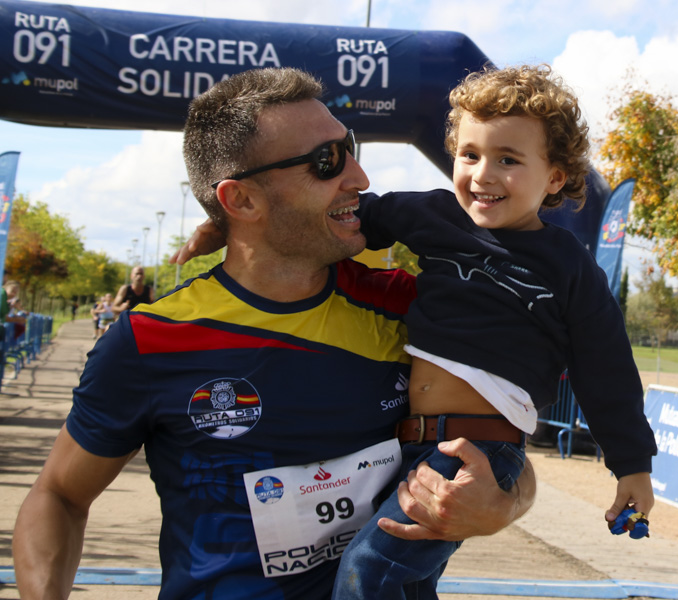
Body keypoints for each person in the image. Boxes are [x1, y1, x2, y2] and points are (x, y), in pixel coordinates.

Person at [12, 67, 535, 600]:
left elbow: (503, 448)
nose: (359, 177)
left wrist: (500, 506)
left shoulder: (412, 307)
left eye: (349, 148)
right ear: (240, 201)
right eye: (326, 161)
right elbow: (58, 495)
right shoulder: (151, 339)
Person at [331, 64, 656, 599]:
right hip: (407, 444)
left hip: (479, 451)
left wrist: (632, 467)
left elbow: (607, 370)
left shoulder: (567, 264)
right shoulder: (435, 216)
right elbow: (352, 216)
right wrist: (233, 223)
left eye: (508, 159)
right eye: (470, 154)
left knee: (368, 572)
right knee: (407, 586)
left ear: (554, 177)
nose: (483, 173)